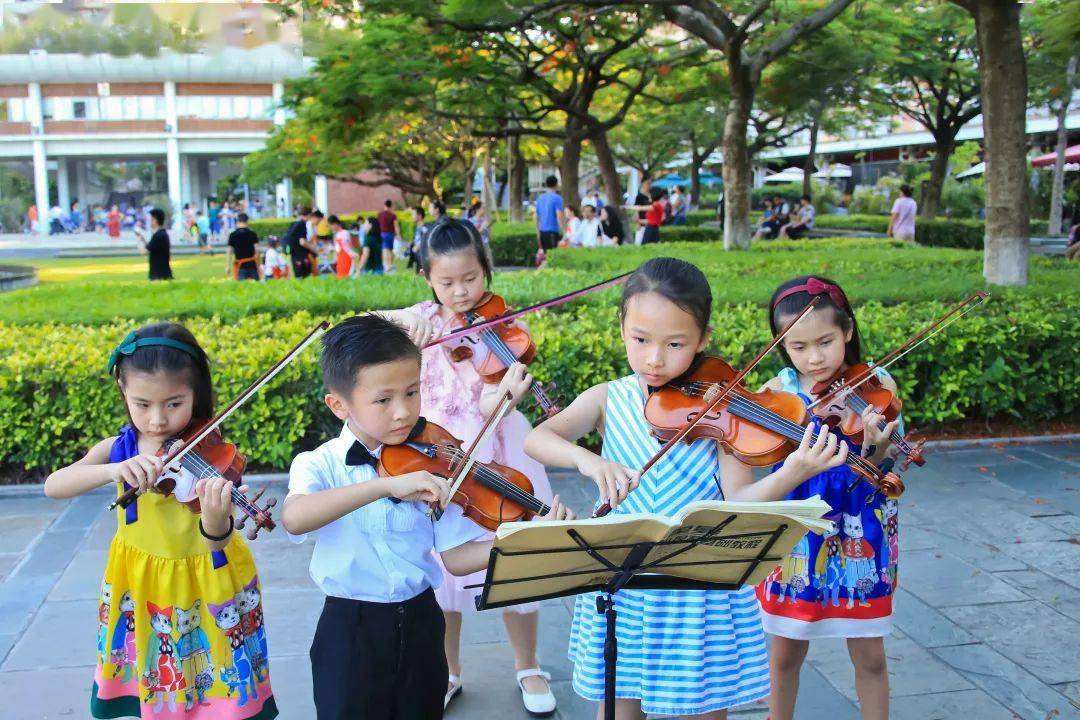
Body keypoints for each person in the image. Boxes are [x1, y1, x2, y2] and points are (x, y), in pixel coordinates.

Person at [524, 257, 850, 719]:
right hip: (626, 581)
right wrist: (587, 459)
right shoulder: (608, 398)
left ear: (703, 340)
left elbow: (739, 499)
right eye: (641, 340)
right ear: (621, 328)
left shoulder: (723, 408)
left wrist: (790, 473)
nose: (655, 359)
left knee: (703, 707)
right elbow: (538, 437)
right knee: (618, 705)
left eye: (675, 344)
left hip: (696, 586)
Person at [280, 314, 572, 720]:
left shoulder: (430, 462)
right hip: (351, 629)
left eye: (412, 393)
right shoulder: (320, 464)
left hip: (420, 621)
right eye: (383, 400)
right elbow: (295, 517)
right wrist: (385, 486)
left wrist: (526, 536)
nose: (402, 412)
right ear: (338, 405)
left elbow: (455, 556)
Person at [43, 322, 279, 719]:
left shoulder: (206, 452)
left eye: (174, 403)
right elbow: (54, 485)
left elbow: (216, 541)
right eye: (142, 404)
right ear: (123, 393)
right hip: (141, 581)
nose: (156, 420)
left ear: (195, 395)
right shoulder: (120, 448)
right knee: (155, 675)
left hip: (205, 577)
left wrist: (217, 515)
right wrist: (113, 470)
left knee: (213, 681)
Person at [377, 219, 560, 715]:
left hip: (494, 450)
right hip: (435, 454)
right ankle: (448, 671)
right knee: (442, 574)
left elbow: (486, 403)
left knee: (515, 561)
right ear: (427, 278)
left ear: (486, 271)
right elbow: (361, 326)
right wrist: (399, 318)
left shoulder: (501, 327)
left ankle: (528, 665)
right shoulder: (419, 320)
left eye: (471, 279)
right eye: (447, 282)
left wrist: (504, 397)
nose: (461, 292)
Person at [758, 276, 902, 720]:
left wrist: (876, 447)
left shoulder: (877, 386)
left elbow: (885, 467)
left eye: (825, 341)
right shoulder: (775, 394)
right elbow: (766, 467)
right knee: (784, 654)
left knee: (871, 656)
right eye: (798, 347)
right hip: (799, 530)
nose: (814, 358)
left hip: (863, 527)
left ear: (848, 332)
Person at [135, 208, 173, 281]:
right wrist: (143, 240)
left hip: (158, 275)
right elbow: (152, 247)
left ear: (155, 220)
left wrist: (138, 241)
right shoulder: (162, 234)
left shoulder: (158, 236)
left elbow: (144, 252)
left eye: (150, 219)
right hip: (163, 273)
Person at [226, 213, 262, 281]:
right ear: (247, 221)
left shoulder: (233, 235)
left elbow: (229, 251)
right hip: (252, 265)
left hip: (240, 267)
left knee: (242, 289)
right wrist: (259, 265)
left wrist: (228, 266)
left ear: (237, 221)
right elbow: (257, 250)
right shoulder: (252, 234)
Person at [534, 175, 565, 255]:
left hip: (542, 232)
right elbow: (559, 215)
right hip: (552, 231)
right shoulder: (557, 198)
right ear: (556, 185)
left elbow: (535, 217)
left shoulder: (539, 198)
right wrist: (563, 231)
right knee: (553, 256)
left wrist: (538, 233)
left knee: (546, 256)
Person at [284, 208, 317, 279]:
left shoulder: (294, 223)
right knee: (305, 277)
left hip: (294, 254)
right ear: (308, 215)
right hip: (301, 255)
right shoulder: (302, 224)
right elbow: (302, 242)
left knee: (298, 277)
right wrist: (313, 248)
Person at [331, 214, 359, 279]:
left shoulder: (344, 233)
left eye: (331, 225)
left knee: (345, 276)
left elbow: (347, 247)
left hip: (346, 257)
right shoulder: (337, 234)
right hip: (341, 258)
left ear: (335, 224)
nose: (331, 228)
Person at [377, 200, 401, 274]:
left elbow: (377, 224)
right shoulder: (393, 215)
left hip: (382, 234)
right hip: (390, 234)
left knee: (385, 250)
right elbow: (396, 226)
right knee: (390, 250)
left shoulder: (380, 214)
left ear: (385, 205)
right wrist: (398, 235)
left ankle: (386, 266)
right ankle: (390, 265)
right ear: (391, 206)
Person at [406, 205, 428, 273]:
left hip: (423, 257)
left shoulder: (425, 228)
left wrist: (418, 246)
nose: (412, 216)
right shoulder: (418, 227)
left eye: (413, 214)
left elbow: (427, 240)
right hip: (418, 256)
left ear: (420, 216)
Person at [631, 175, 652, 244]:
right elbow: (636, 210)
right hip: (642, 223)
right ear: (643, 183)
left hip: (650, 222)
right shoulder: (639, 197)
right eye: (647, 183)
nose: (649, 185)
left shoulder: (652, 195)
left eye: (650, 183)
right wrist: (638, 223)